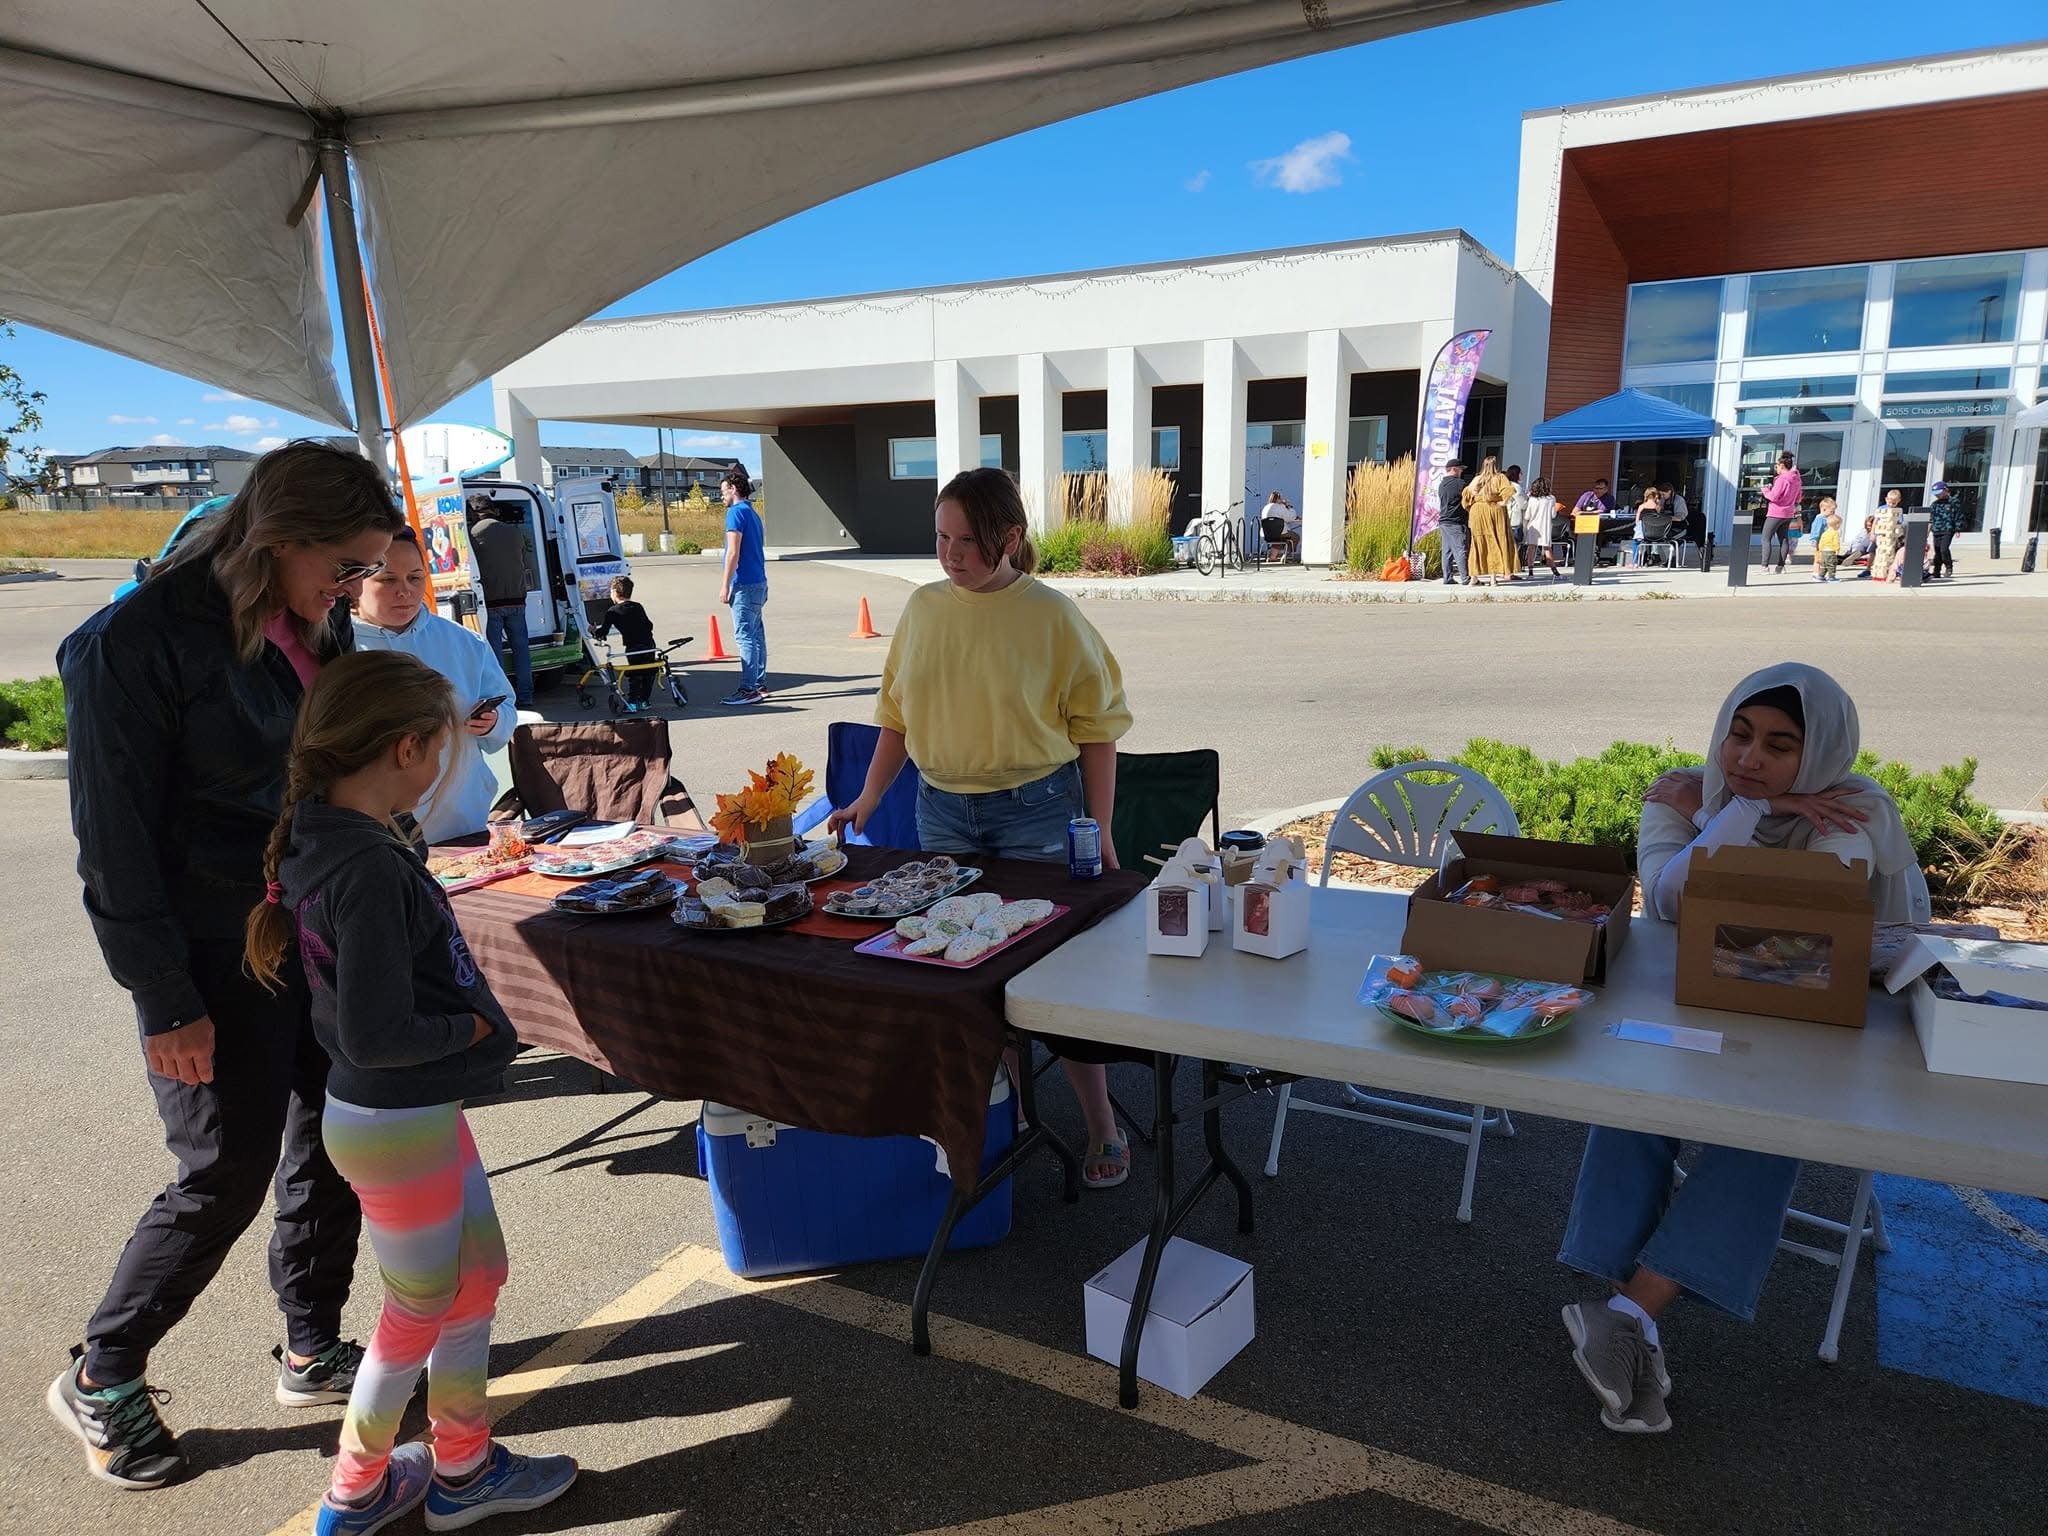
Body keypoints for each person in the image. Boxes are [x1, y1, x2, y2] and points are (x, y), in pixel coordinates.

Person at [50, 440, 403, 1490]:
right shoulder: (133, 644)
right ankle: (104, 1371)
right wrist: (163, 998)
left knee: (339, 1142)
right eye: (342, 567)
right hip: (208, 955)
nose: (354, 589)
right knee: (221, 1173)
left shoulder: (308, 619)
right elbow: (112, 845)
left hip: (309, 933)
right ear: (278, 538)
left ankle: (310, 1342)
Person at [245, 650, 576, 1534]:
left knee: (476, 1280)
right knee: (418, 1308)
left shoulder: (337, 837)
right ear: (402, 749)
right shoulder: (365, 869)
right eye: (439, 750)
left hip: (407, 1120)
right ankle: (356, 1488)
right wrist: (468, 1030)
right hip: (395, 1121)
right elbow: (377, 1033)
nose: (444, 769)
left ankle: (463, 1465)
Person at [1557, 663, 1924, 1435]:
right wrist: (1757, 810)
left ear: (1820, 752)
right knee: (1634, 1094)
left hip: (1823, 1021)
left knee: (1766, 1130)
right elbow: (1667, 895)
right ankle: (1631, 1323)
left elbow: (1814, 929)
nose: (1749, 758)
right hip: (1694, 998)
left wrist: (1736, 817)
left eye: (1781, 747)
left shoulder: (1853, 811)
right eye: (1741, 734)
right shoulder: (1682, 790)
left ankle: (1627, 1311)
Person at [828, 468, 1135, 1188]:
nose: (951, 554)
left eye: (968, 540)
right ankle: (1017, 1110)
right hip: (940, 809)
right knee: (962, 969)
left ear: (1011, 539)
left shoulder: (1053, 616)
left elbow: (1097, 731)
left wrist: (1100, 827)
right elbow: (896, 715)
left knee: (1055, 977)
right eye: (941, 537)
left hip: (1037, 810)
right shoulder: (924, 610)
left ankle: (1101, 1124)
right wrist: (869, 798)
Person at [354, 530, 517, 842]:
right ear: (357, 582)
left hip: (463, 822)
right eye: (387, 580)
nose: (404, 591)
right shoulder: (337, 647)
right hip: (378, 833)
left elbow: (506, 708)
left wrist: (493, 722)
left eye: (415, 578)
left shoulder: (464, 641)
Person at [469, 495, 536, 709]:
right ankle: (526, 695)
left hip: (491, 601)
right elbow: (524, 560)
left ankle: (502, 699)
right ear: (493, 510)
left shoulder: (472, 534)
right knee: (521, 649)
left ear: (473, 513)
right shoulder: (513, 532)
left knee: (494, 652)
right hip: (517, 598)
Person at [719, 465, 769, 705]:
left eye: (723, 491)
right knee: (756, 634)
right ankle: (759, 683)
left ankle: (748, 689)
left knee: (745, 636)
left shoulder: (736, 513)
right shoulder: (752, 513)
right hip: (758, 582)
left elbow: (733, 552)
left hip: (744, 584)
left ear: (733, 489)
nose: (721, 496)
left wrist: (725, 585)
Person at [590, 574, 660, 707]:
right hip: (649, 643)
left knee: (635, 674)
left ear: (615, 592)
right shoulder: (638, 606)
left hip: (633, 646)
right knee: (648, 672)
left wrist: (593, 630)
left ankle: (633, 702)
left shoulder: (612, 611)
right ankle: (645, 700)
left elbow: (602, 633)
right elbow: (649, 625)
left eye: (611, 591)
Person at [1462, 453, 1518, 586]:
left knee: (1477, 542)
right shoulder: (1500, 477)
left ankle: (1474, 577)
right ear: (1496, 465)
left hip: (1478, 511)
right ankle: (1493, 578)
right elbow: (1508, 491)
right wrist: (1503, 502)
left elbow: (1466, 497)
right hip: (1494, 510)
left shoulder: (1477, 479)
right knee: (1495, 541)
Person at [1759, 452, 1803, 574]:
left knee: (1766, 538)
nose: (1776, 468)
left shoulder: (1782, 479)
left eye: (1776, 466)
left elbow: (1773, 496)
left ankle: (1764, 566)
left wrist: (1765, 490)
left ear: (1782, 465)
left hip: (1775, 513)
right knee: (1784, 539)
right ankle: (1780, 566)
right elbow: (1798, 498)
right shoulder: (1796, 479)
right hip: (1788, 513)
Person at [1435, 456, 1470, 585]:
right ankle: (1465, 578)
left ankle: (1447, 577)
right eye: (1460, 469)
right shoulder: (1460, 484)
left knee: (1447, 550)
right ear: (1454, 469)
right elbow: (1469, 499)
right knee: (1460, 549)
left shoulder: (1442, 484)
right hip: (1455, 521)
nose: (1462, 472)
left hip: (1444, 520)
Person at [1522, 475, 1563, 581]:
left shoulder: (1532, 499)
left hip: (1533, 526)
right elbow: (1553, 515)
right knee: (1547, 549)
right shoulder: (1551, 499)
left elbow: (1527, 516)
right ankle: (1555, 571)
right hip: (1545, 526)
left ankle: (1530, 572)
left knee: (1532, 548)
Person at [1927, 481, 1962, 580]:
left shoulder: (1953, 502)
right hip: (1936, 530)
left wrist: (1958, 528)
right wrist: (1928, 531)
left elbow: (1958, 515)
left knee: (1944, 549)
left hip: (1948, 529)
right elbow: (1931, 519)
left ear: (1946, 491)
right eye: (1936, 494)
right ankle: (1936, 571)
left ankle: (1948, 567)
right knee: (1937, 550)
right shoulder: (1934, 505)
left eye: (1939, 493)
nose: (1937, 496)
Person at [1871, 489, 1905, 582]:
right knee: (1880, 554)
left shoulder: (1898, 511)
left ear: (1898, 501)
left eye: (1894, 503)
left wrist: (1900, 533)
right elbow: (1875, 521)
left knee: (1890, 554)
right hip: (1881, 535)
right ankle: (1877, 573)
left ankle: (1890, 572)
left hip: (1892, 536)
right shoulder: (1881, 509)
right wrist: (1872, 533)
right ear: (1886, 499)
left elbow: (1900, 523)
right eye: (1890, 502)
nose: (1891, 505)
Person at [1502, 466, 1530, 578]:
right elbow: (1523, 504)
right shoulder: (1516, 487)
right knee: (1514, 546)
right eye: (1520, 473)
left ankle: (1504, 570)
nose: (1521, 475)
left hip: (1505, 517)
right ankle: (1509, 572)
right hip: (1514, 519)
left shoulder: (1505, 485)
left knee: (1506, 546)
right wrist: (1528, 497)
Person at [1814, 499, 1844, 583]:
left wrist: (1820, 550)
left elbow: (1821, 543)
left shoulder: (1825, 533)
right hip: (1831, 551)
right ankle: (1831, 577)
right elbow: (1836, 542)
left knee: (1823, 565)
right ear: (1837, 525)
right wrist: (1837, 550)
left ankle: (1820, 576)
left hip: (1824, 551)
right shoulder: (1835, 533)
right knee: (1831, 565)